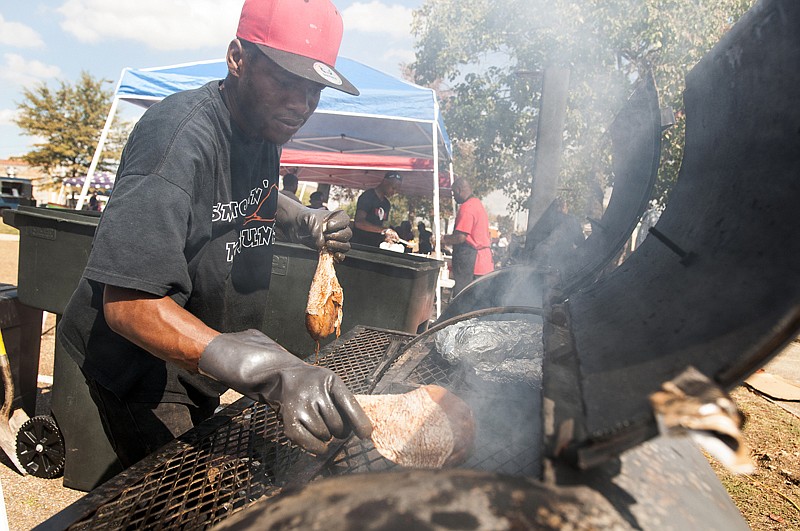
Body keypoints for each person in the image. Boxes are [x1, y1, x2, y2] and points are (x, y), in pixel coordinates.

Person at [56, 0, 372, 470]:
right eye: (285, 81)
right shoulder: (177, 139)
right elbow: (128, 304)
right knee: (177, 495)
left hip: (203, 356)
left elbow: (250, 196)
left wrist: (303, 219)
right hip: (142, 363)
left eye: (313, 90)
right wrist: (271, 371)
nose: (301, 104)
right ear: (237, 58)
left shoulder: (263, 130)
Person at [441, 177, 494, 297]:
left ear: (459, 190)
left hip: (473, 265)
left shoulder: (467, 207)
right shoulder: (477, 203)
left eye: (454, 193)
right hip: (483, 264)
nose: (453, 197)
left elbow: (460, 237)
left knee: (464, 300)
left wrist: (443, 239)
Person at [351, 171, 402, 247]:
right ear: (385, 182)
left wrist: (387, 237)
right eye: (393, 188)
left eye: (396, 190)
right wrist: (384, 230)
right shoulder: (368, 196)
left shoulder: (386, 204)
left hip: (375, 246)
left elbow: (381, 226)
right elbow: (359, 222)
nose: (394, 192)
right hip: (360, 244)